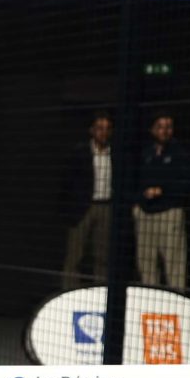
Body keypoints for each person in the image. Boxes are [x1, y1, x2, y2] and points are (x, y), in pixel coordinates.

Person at [134, 112, 190, 292]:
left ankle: (176, 302)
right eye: (160, 127)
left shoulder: (180, 153)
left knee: (174, 267)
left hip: (169, 213)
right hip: (146, 214)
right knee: (146, 265)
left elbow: (189, 183)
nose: (165, 131)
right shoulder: (146, 153)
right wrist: (137, 204)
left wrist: (163, 190)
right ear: (152, 129)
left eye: (168, 127)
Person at [60, 111, 116, 290]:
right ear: (92, 130)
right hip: (83, 207)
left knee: (102, 256)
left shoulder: (115, 153)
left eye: (107, 128)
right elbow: (68, 181)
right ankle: (69, 291)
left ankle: (101, 292)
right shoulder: (80, 152)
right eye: (100, 128)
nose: (104, 132)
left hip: (106, 206)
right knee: (75, 254)